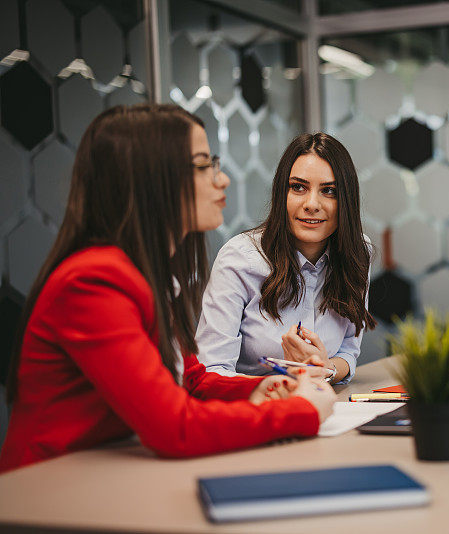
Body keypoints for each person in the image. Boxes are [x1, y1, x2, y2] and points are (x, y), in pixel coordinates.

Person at [0, 104, 336, 473]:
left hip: (113, 475)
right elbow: (174, 428)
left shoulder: (147, 271)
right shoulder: (93, 282)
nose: (221, 180)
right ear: (151, 180)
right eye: (203, 165)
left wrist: (263, 389)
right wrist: (297, 413)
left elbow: (189, 380)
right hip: (49, 491)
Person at [195, 133, 376, 384]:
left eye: (329, 191)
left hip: (324, 406)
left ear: (346, 200)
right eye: (298, 187)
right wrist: (289, 384)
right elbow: (211, 370)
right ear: (282, 193)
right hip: (251, 412)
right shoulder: (239, 259)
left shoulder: (358, 252)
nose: (312, 204)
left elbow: (348, 350)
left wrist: (325, 369)